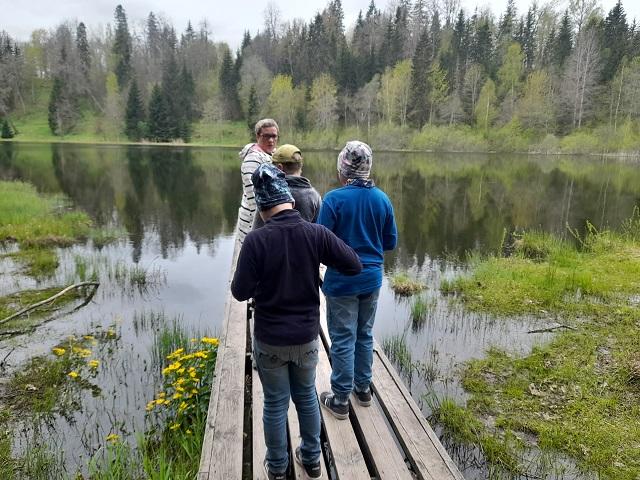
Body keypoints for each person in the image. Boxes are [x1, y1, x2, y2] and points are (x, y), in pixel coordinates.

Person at [231, 163, 362, 480]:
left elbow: (239, 292)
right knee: (306, 397)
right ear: (289, 199)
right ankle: (312, 459)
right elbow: (353, 264)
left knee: (275, 404)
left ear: (262, 207)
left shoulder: (256, 241)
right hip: (306, 337)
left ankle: (277, 468)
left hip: (270, 340)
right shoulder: (315, 233)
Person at [317, 141, 397, 420]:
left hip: (342, 282)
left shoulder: (333, 199)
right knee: (364, 334)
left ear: (342, 168)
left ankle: (340, 399)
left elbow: (320, 244)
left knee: (342, 338)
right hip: (372, 279)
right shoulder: (382, 199)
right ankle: (363, 390)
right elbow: (390, 242)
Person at [253, 144, 322, 230]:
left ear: (279, 168)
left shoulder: (269, 192)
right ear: (300, 166)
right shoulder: (314, 196)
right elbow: (319, 227)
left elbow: (256, 229)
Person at [237, 118, 279, 242]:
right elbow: (254, 198)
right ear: (258, 136)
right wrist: (267, 228)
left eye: (274, 136)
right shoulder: (252, 159)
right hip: (253, 224)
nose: (271, 140)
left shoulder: (274, 155)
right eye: (266, 136)